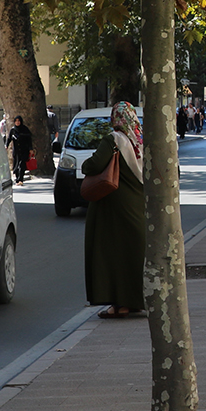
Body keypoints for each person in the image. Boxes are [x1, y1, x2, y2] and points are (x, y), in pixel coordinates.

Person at [83, 102, 146, 318]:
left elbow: (93, 165)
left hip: (114, 209)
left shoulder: (114, 139)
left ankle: (119, 304)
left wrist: (87, 165)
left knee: (113, 255)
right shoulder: (141, 141)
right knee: (133, 255)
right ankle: (134, 301)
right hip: (139, 205)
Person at [6, 115, 34, 184]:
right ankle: (17, 178)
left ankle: (21, 179)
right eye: (16, 121)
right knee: (16, 165)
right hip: (16, 150)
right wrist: (6, 145)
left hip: (24, 150)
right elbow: (9, 139)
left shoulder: (25, 129)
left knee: (22, 164)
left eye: (19, 121)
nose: (17, 122)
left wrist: (30, 148)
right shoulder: (13, 130)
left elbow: (29, 140)